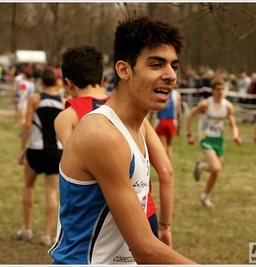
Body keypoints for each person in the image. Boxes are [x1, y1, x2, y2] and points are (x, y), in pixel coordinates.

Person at [48, 16, 196, 264]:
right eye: (157, 65)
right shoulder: (101, 134)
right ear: (124, 69)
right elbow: (145, 249)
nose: (171, 75)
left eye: (174, 65)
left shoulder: (138, 127)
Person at [54, 44, 175, 249]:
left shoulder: (67, 117)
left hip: (100, 222)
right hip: (146, 213)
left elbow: (79, 175)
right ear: (102, 78)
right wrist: (165, 225)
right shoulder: (132, 113)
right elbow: (166, 171)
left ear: (68, 83)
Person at [16, 69, 64, 246]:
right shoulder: (64, 101)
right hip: (56, 152)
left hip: (36, 150)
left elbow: (27, 124)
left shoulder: (35, 99)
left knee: (28, 186)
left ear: (41, 82)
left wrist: (22, 150)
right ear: (56, 82)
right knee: (51, 192)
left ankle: (27, 229)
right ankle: (46, 234)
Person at [187, 78, 242, 208]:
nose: (221, 92)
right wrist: (190, 134)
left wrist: (235, 135)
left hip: (219, 139)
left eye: (223, 89)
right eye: (218, 89)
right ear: (213, 90)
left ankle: (205, 195)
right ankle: (200, 167)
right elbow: (190, 115)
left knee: (216, 172)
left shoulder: (228, 106)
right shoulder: (205, 104)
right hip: (206, 138)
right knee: (216, 167)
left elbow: (233, 124)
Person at [148, 88, 182, 161]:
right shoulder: (177, 94)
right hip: (172, 121)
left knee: (163, 146)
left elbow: (152, 111)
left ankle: (164, 166)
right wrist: (179, 126)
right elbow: (179, 112)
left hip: (161, 120)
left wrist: (149, 123)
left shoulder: (158, 93)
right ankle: (168, 164)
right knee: (169, 146)